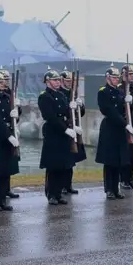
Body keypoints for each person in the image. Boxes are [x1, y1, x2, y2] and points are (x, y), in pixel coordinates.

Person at [38, 68, 81, 205]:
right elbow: (50, 117)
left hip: (64, 134)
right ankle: (51, 194)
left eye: (58, 80)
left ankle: (58, 193)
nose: (57, 82)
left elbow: (67, 115)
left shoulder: (62, 95)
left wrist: (76, 108)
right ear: (47, 82)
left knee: (63, 165)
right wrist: (65, 129)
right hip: (53, 133)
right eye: (54, 80)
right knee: (53, 166)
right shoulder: (44, 96)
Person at [95, 66, 132, 199]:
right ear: (108, 78)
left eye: (117, 78)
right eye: (114, 78)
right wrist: (125, 124)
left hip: (120, 130)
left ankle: (116, 189)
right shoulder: (103, 92)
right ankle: (109, 189)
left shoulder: (121, 92)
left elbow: (126, 110)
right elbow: (108, 110)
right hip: (110, 128)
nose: (116, 80)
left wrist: (131, 102)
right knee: (109, 161)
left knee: (118, 161)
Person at [0, 70, 20, 211]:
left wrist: (16, 112)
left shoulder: (7, 97)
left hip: (9, 136)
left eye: (4, 82)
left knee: (5, 170)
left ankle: (2, 200)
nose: (3, 84)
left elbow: (12, 119)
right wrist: (9, 136)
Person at [59, 68, 86, 195]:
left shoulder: (73, 93)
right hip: (65, 129)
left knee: (71, 161)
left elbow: (82, 113)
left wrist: (81, 105)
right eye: (67, 80)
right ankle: (62, 186)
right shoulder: (60, 93)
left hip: (74, 128)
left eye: (71, 81)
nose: (69, 83)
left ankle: (68, 185)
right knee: (63, 161)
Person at [0, 66, 21, 200]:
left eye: (7, 79)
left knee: (9, 163)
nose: (6, 82)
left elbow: (17, 116)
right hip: (2, 132)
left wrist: (17, 109)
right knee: (0, 165)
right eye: (4, 79)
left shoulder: (11, 93)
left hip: (11, 129)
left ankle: (7, 189)